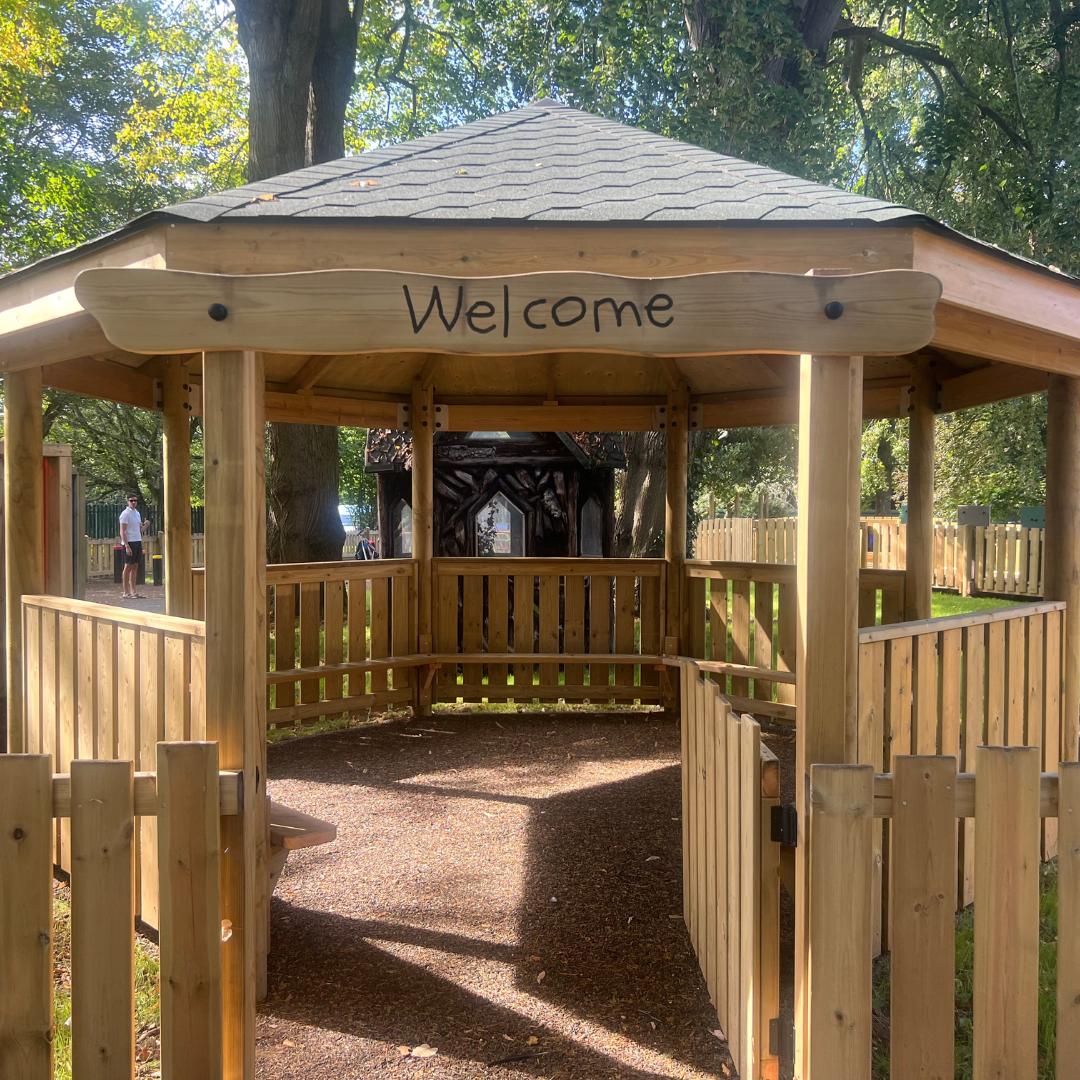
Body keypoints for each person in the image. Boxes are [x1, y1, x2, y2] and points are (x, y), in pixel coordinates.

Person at [119, 494, 149, 599]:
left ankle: (133, 591)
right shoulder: (125, 514)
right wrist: (126, 545)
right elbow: (122, 531)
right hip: (129, 542)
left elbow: (140, 530)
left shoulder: (137, 513)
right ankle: (125, 592)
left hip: (137, 541)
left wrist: (146, 525)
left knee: (135, 566)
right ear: (127, 501)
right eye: (131, 501)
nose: (133, 502)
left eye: (135, 501)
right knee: (128, 566)